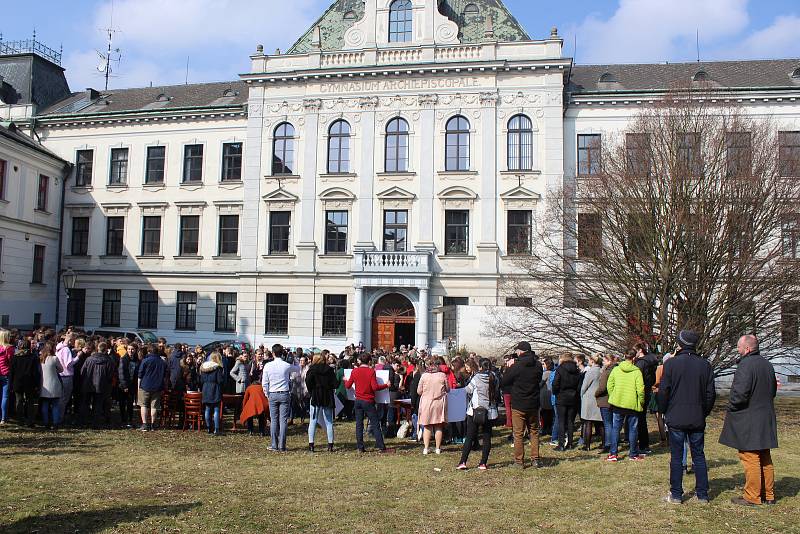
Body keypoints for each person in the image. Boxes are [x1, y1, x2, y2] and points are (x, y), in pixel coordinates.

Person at [657, 330, 716, 505]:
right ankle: (702, 494)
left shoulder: (671, 364)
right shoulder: (705, 365)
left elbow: (663, 391)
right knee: (698, 455)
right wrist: (703, 411)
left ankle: (676, 494)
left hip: (675, 416)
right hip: (696, 416)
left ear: (680, 344)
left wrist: (663, 410)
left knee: (676, 457)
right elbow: (710, 394)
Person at [719, 334, 778, 506]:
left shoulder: (745, 365)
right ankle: (769, 494)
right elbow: (773, 390)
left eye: (738, 347)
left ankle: (752, 496)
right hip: (765, 416)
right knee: (765, 456)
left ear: (747, 348)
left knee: (749, 456)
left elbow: (740, 394)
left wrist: (731, 406)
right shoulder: (767, 365)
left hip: (749, 418)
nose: (737, 350)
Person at [500, 341, 544, 469]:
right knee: (534, 432)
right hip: (534, 403)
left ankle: (519, 461)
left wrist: (508, 368)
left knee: (518, 433)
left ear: (520, 351)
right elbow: (538, 379)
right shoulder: (538, 365)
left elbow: (504, 382)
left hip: (519, 404)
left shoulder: (516, 366)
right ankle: (535, 459)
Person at [344, 353, 391, 453]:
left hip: (358, 400)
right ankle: (381, 446)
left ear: (360, 361)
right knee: (375, 424)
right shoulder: (371, 372)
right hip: (368, 401)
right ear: (369, 361)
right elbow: (374, 387)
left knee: (359, 424)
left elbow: (348, 386)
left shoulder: (355, 371)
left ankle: (360, 447)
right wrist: (385, 385)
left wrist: (345, 380)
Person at [457, 358, 499, 470]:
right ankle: (483, 463)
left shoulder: (476, 378)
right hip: (490, 411)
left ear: (480, 367)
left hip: (475, 410)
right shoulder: (494, 376)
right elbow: (497, 390)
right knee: (487, 437)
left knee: (470, 437)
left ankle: (463, 462)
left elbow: (468, 390)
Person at [606, 350, 645, 462]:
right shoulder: (637, 372)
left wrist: (613, 396)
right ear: (633, 358)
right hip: (632, 404)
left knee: (616, 428)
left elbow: (610, 385)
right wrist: (640, 402)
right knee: (633, 429)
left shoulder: (616, 369)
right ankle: (633, 454)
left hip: (617, 403)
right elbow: (641, 390)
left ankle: (613, 454)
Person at [305, 350, 338, 452]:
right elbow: (335, 384)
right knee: (329, 421)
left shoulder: (311, 370)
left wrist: (312, 391)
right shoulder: (329, 370)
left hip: (315, 395)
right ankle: (330, 445)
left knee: (313, 420)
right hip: (327, 395)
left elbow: (308, 382)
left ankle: (311, 444)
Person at [262, 344, 293, 451]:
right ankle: (282, 445)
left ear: (273, 353)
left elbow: (264, 382)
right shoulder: (286, 365)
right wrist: (291, 357)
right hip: (284, 393)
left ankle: (274, 444)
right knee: (283, 420)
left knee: (274, 420)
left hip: (273, 393)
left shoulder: (268, 365)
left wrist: (267, 394)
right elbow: (297, 368)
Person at [417, 357, 449, 455]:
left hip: (427, 402)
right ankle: (437, 448)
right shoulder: (442, 375)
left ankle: (426, 448)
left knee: (427, 425)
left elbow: (419, 391)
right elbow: (448, 389)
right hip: (439, 403)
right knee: (438, 425)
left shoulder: (424, 376)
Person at [79, 341, 115, 428]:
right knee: (98, 405)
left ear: (97, 348)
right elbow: (110, 375)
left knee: (86, 403)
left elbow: (82, 372)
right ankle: (95, 423)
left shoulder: (89, 359)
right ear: (106, 349)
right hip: (101, 385)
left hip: (88, 384)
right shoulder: (108, 361)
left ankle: (83, 421)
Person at [552, 353, 581, 451]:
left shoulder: (560, 369)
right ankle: (570, 443)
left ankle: (561, 444)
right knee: (570, 422)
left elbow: (555, 383)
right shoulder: (577, 370)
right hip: (573, 397)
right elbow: (578, 385)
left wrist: (556, 392)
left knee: (561, 421)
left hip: (561, 397)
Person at [634, 343, 659, 454]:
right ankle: (644, 444)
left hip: (641, 391)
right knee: (642, 419)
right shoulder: (652, 361)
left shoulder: (641, 363)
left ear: (640, 350)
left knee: (639, 420)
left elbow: (636, 379)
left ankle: (642, 445)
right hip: (647, 390)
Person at [10, 339, 41, 426]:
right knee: (30, 401)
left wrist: (11, 384)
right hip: (30, 382)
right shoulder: (33, 357)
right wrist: (37, 384)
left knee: (19, 401)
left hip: (17, 382)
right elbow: (36, 373)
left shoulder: (15, 357)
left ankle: (20, 420)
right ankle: (30, 420)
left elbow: (11, 372)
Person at [137, 344, 167, 432]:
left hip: (145, 385)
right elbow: (165, 376)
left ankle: (145, 424)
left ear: (149, 351)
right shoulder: (162, 362)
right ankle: (153, 425)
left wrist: (138, 387)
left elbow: (140, 374)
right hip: (157, 387)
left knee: (144, 405)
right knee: (154, 406)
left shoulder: (145, 360)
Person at [579, 354, 604, 451]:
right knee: (601, 423)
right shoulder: (602, 371)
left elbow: (584, 386)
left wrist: (581, 395)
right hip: (599, 398)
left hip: (589, 398)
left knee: (588, 422)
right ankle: (603, 443)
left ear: (592, 361)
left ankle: (587, 445)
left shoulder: (590, 372)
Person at [200, 352, 226, 435]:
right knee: (216, 409)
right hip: (215, 389)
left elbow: (201, 380)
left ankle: (208, 428)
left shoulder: (204, 367)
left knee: (207, 409)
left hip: (205, 388)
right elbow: (219, 380)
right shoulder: (217, 368)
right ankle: (216, 429)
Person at [595, 354, 616, 454]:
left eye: (604, 361)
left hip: (605, 400)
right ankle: (613, 442)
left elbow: (602, 388)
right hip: (614, 400)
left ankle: (608, 444)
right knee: (613, 423)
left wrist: (596, 393)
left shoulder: (606, 372)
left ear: (608, 361)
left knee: (608, 424)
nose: (602, 363)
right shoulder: (617, 370)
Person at [40, 342, 64, 430]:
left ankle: (45, 423)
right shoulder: (54, 358)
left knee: (45, 405)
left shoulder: (41, 358)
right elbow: (61, 369)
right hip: (54, 384)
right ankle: (55, 423)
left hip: (43, 385)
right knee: (55, 405)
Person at [55, 333, 78, 423]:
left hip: (59, 375)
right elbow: (69, 364)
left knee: (59, 398)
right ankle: (59, 418)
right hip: (66, 375)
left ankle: (56, 416)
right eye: (73, 340)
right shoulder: (66, 350)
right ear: (70, 340)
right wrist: (77, 357)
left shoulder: (58, 346)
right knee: (64, 399)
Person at [0, 329, 15, 425]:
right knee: (5, 396)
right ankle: (3, 417)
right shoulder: (9, 348)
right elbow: (11, 361)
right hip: (6, 373)